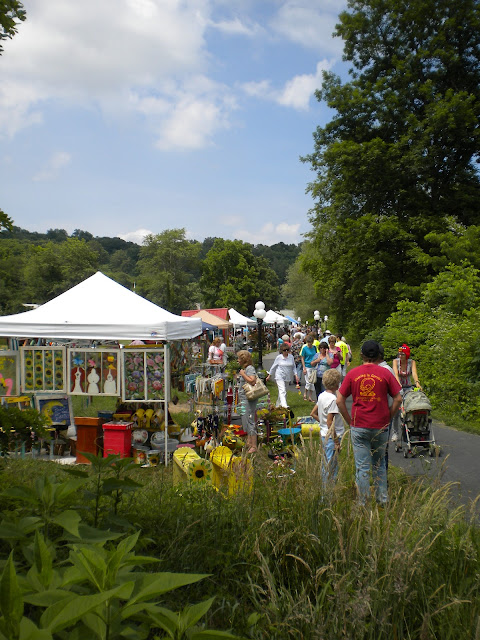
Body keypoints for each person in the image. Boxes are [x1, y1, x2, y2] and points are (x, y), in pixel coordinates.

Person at [336, 340, 402, 506]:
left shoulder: (353, 373)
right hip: (380, 426)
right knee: (379, 465)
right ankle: (382, 501)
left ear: (362, 355)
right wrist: (389, 416)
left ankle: (363, 503)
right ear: (378, 355)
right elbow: (398, 398)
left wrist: (349, 421)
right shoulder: (385, 373)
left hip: (359, 425)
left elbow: (339, 400)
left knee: (362, 467)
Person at [310, 368, 344, 482]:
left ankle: (326, 487)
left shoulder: (321, 396)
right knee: (331, 465)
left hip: (324, 434)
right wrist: (336, 441)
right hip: (331, 437)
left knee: (326, 462)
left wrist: (322, 422)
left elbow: (313, 413)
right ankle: (328, 489)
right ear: (337, 384)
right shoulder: (333, 400)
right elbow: (330, 422)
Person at [391, 344, 422, 445]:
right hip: (398, 387)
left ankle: (410, 431)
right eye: (399, 354)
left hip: (408, 387)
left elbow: (414, 374)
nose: (400, 356)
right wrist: (398, 384)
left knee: (409, 409)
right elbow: (395, 374)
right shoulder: (395, 362)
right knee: (396, 411)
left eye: (402, 354)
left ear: (407, 355)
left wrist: (417, 383)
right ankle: (395, 433)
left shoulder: (411, 362)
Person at [236, 350, 259, 453]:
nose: (237, 360)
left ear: (243, 359)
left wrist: (243, 374)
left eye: (239, 358)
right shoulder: (246, 369)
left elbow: (252, 381)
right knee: (246, 419)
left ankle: (254, 445)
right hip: (244, 398)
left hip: (248, 398)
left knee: (249, 420)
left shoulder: (249, 368)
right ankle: (249, 442)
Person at [266, 344, 299, 408]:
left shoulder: (291, 357)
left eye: (287, 350)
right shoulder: (279, 358)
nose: (286, 352)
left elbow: (294, 367)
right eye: (284, 350)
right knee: (282, 390)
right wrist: (269, 375)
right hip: (279, 375)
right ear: (281, 351)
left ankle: (278, 405)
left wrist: (296, 375)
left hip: (287, 376)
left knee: (284, 391)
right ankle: (284, 405)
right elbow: (273, 366)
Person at [300, 334, 318, 402]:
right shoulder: (304, 348)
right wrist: (304, 368)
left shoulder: (314, 348)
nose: (310, 344)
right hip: (307, 366)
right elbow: (302, 358)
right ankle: (305, 394)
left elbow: (316, 355)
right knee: (308, 382)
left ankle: (310, 396)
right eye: (308, 342)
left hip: (314, 366)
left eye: (311, 342)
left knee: (313, 382)